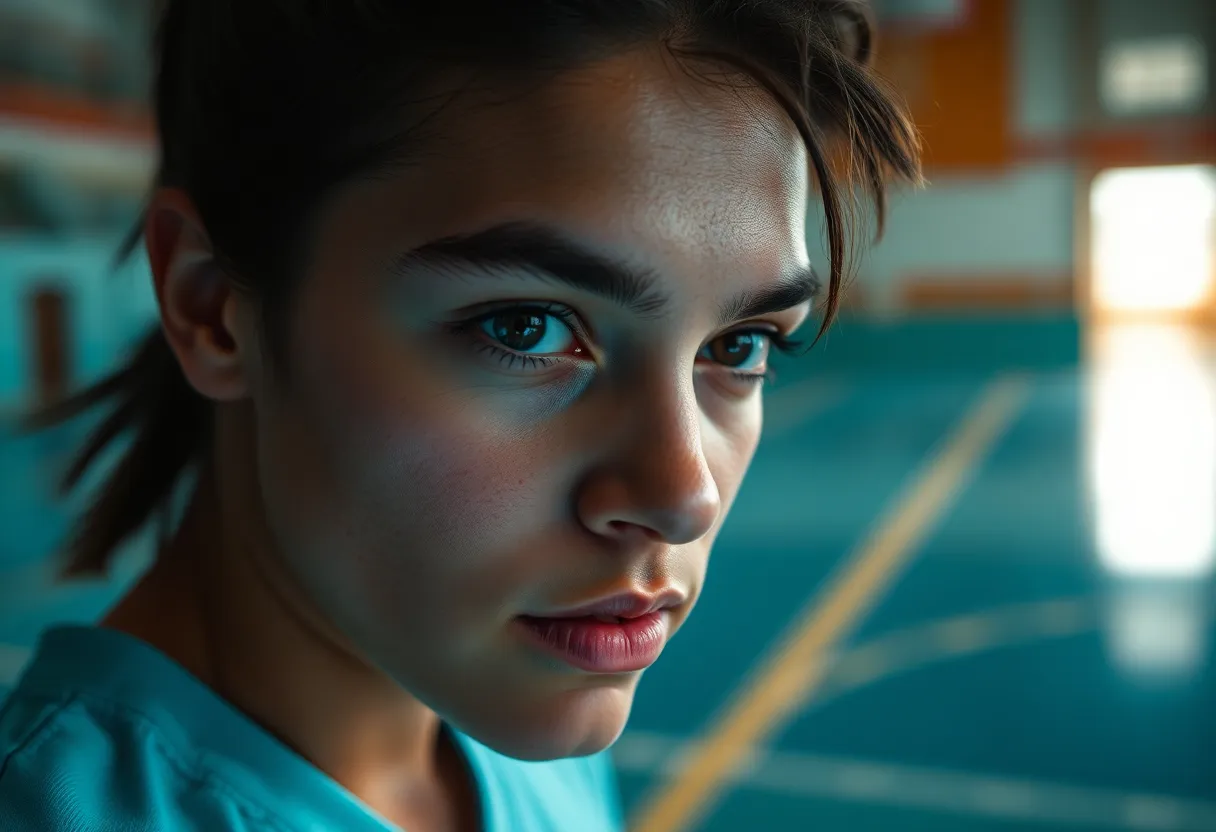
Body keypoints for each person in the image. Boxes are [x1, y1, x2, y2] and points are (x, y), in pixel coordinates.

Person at [0, 1, 919, 829]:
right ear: (210, 307)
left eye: (740, 344)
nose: (686, 497)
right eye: (527, 328)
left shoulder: (524, 723)